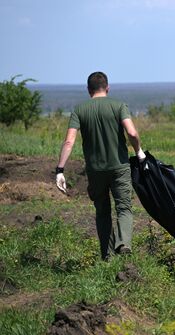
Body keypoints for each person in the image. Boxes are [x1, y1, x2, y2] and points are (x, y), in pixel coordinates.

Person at [55, 71, 146, 260]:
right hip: (119, 167)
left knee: (102, 211)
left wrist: (60, 170)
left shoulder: (79, 110)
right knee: (124, 208)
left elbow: (69, 142)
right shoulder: (119, 105)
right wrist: (138, 152)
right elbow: (132, 133)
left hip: (95, 171)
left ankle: (107, 256)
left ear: (89, 90)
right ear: (108, 87)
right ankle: (124, 244)